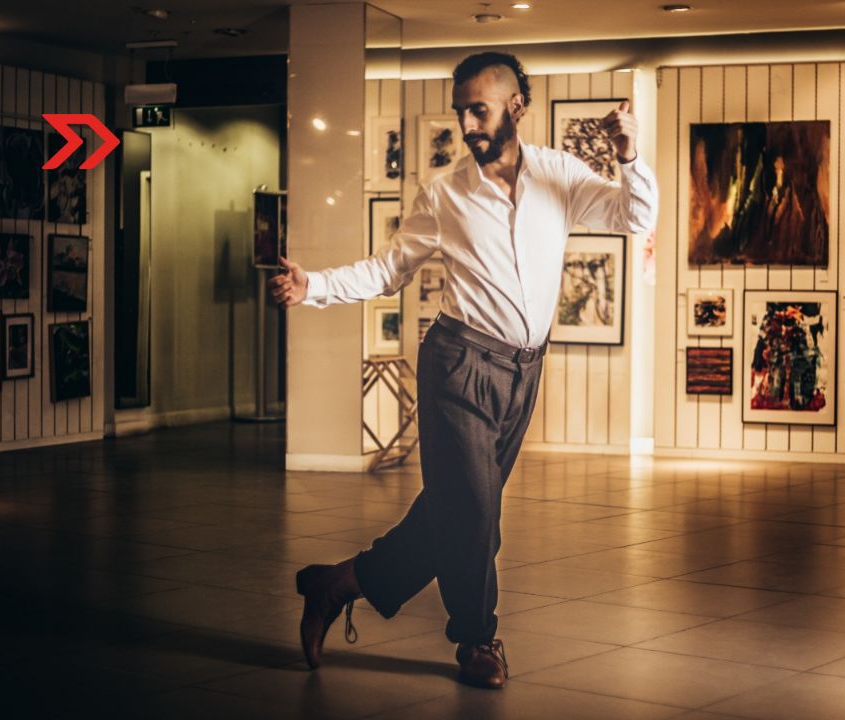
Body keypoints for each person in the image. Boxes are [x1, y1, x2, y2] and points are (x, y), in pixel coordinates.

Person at [268, 51, 657, 689]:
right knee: (475, 515)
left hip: (523, 372)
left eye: (479, 109)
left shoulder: (559, 175)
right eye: (461, 112)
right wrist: (315, 286)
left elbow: (634, 217)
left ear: (516, 107)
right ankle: (476, 640)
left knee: (454, 511)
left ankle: (338, 583)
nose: (469, 125)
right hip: (458, 364)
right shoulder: (445, 193)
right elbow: (388, 268)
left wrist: (629, 156)